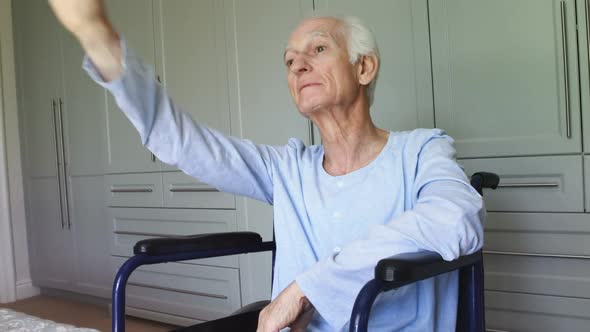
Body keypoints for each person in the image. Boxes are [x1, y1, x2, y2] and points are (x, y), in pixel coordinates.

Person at [47, 1, 485, 331]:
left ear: (364, 66)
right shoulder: (288, 168)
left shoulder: (420, 151)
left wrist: (306, 288)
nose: (299, 65)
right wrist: (98, 36)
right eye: (290, 60)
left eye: (318, 48)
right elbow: (182, 141)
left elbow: (456, 218)